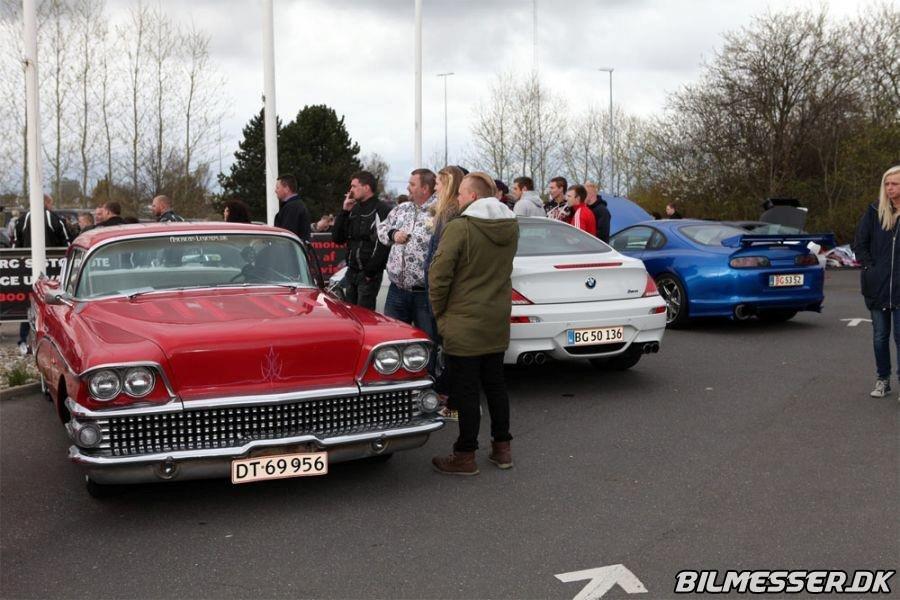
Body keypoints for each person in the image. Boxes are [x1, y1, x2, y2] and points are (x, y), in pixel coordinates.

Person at [429, 172, 518, 475]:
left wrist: (440, 315)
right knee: (495, 385)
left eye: (462, 194)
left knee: (466, 390)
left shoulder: (460, 228)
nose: (458, 199)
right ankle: (502, 448)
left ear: (474, 198)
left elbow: (438, 277)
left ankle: (465, 454)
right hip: (496, 319)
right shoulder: (510, 227)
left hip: (464, 321)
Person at [851, 165, 900, 400]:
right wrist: (871, 269)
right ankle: (883, 380)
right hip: (877, 286)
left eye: (895, 184)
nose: (890, 188)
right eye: (887, 184)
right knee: (880, 336)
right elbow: (859, 243)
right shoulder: (874, 211)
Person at [376, 168, 437, 338]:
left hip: (424, 294)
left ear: (425, 188)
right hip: (397, 290)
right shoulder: (402, 208)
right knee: (392, 340)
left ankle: (430, 366)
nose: (408, 188)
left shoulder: (439, 211)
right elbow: (382, 227)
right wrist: (393, 234)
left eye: (412, 184)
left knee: (427, 341)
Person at [426, 165, 466, 419]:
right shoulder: (446, 211)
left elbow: (442, 257)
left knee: (450, 350)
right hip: (447, 288)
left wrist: (436, 292)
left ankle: (453, 405)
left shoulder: (449, 213)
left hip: (446, 291)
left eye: (438, 183)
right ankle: (453, 401)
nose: (435, 187)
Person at [13, 194, 70, 355]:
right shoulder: (54, 219)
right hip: (53, 271)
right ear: (46, 202)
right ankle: (47, 340)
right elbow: (67, 243)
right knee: (50, 304)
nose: (51, 206)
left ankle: (24, 341)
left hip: (27, 270)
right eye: (50, 203)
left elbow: (15, 246)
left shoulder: (22, 220)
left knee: (30, 303)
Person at [332, 171, 392, 310]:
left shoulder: (382, 209)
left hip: (369, 275)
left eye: (354, 186)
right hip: (351, 271)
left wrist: (369, 273)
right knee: (350, 316)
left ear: (366, 187)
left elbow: (384, 244)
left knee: (364, 318)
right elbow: (337, 238)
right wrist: (344, 211)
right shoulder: (353, 208)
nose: (350, 190)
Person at [273, 175, 311, 241]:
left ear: (286, 189)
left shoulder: (292, 208)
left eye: (277, 188)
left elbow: (286, 237)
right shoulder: (296, 205)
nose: (275, 191)